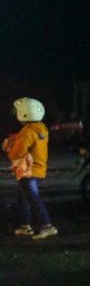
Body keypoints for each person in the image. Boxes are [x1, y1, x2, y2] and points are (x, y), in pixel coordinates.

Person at [3, 97, 57, 239]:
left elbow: (16, 153)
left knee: (33, 198)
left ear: (25, 113)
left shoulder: (27, 132)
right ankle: (24, 226)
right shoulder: (41, 128)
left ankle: (47, 226)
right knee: (24, 197)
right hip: (38, 168)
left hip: (29, 170)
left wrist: (8, 147)